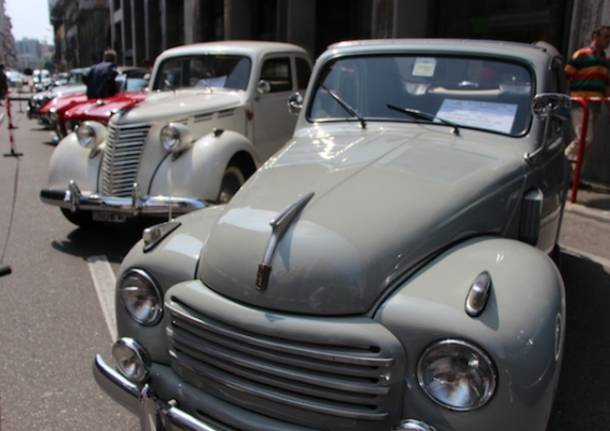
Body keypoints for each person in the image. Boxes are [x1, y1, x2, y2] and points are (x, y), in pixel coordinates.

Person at [564, 25, 610, 161]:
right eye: (606, 37)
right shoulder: (581, 55)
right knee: (584, 138)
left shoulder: (606, 61)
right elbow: (566, 76)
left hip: (595, 106)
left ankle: (574, 177)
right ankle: (563, 165)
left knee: (586, 143)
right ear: (595, 37)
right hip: (580, 104)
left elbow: (606, 86)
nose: (608, 41)